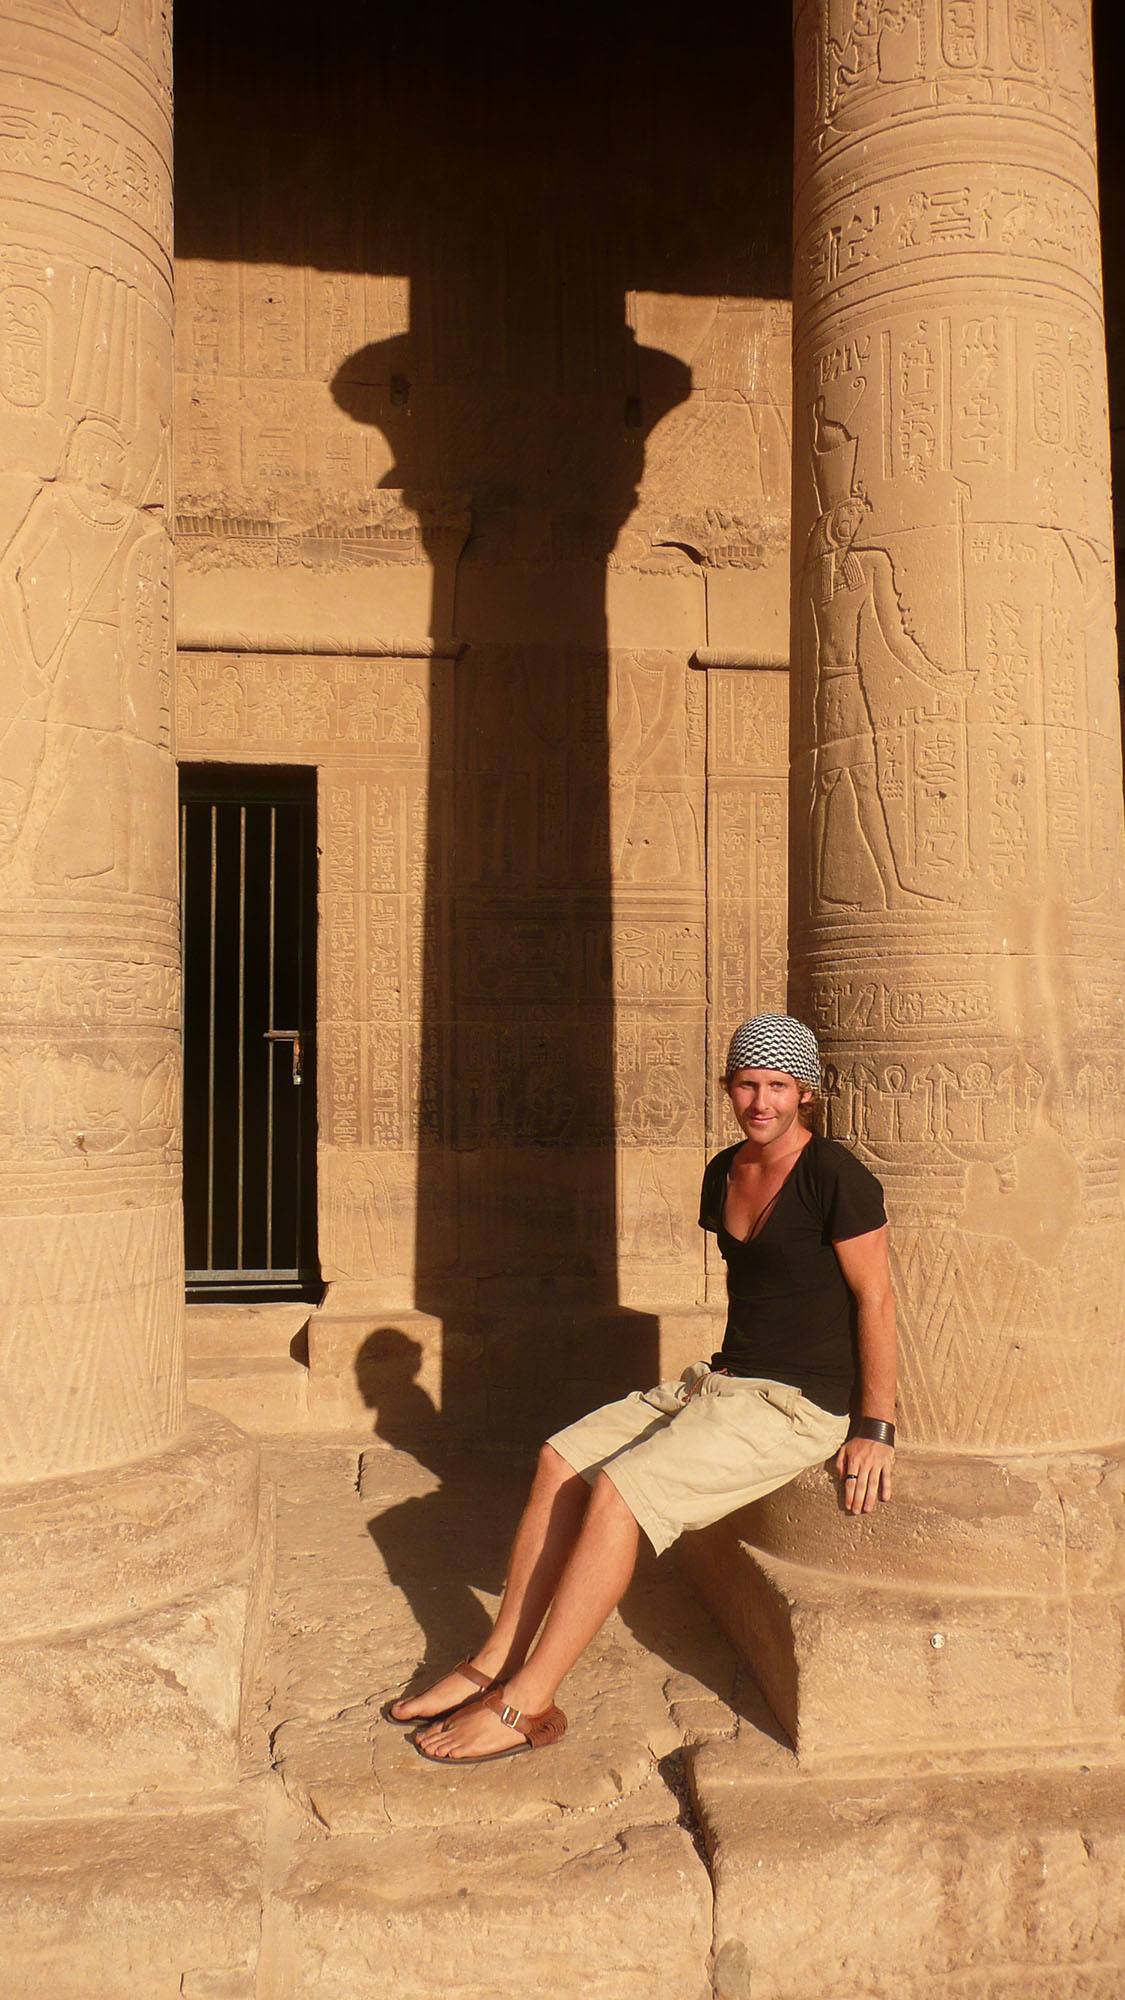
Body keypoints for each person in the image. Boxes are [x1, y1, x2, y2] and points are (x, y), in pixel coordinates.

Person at [387, 1011, 897, 1765]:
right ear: (729, 1087)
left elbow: (876, 1300)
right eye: (747, 1085)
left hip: (794, 1407)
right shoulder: (725, 1168)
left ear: (804, 1094)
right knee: (560, 1458)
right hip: (721, 1383)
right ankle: (495, 1660)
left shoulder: (835, 1176)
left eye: (777, 1087)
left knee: (621, 1490)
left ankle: (526, 1705)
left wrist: (873, 1426)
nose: (760, 1102)